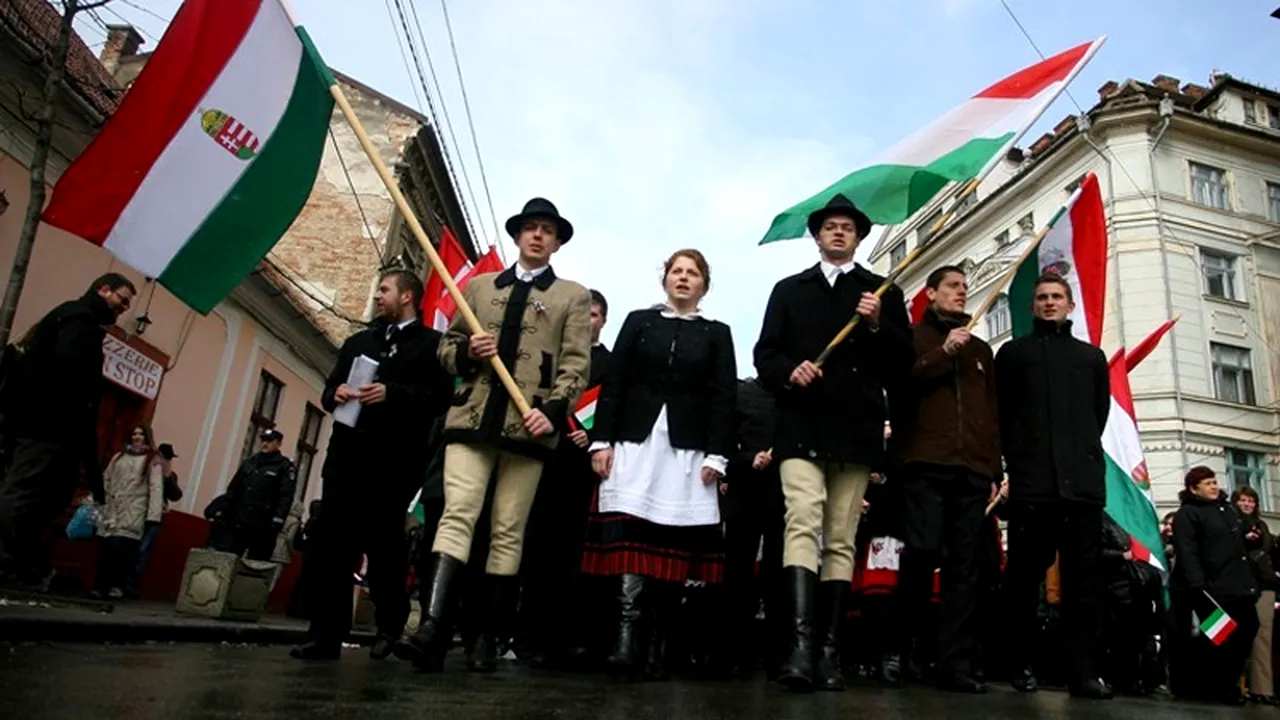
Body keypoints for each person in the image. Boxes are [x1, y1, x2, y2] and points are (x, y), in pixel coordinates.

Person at [396, 198, 592, 674]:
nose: (537, 235)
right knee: (458, 515)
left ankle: (487, 634)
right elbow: (446, 344)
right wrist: (466, 352)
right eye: (530, 228)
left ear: (557, 241)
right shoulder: (480, 288)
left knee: (507, 528)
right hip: (472, 420)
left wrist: (552, 412)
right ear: (518, 236)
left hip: (529, 429)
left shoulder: (572, 296)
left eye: (547, 230)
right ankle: (435, 629)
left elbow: (575, 365)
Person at [754, 194, 914, 692]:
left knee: (841, 536)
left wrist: (876, 323)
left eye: (848, 227)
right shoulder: (788, 290)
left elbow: (902, 362)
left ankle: (829, 654)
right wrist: (789, 371)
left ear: (859, 237)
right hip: (801, 426)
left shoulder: (881, 292)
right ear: (818, 235)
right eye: (830, 226)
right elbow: (765, 353)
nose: (839, 232)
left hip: (856, 429)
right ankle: (798, 651)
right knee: (802, 521)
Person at [582, 249, 736, 680]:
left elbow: (724, 396)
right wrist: (601, 441)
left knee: (675, 544)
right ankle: (627, 640)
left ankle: (659, 647)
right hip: (635, 443)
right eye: (676, 271)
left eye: (692, 274)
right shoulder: (639, 322)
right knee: (632, 538)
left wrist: (718, 455)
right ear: (664, 279)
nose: (683, 279)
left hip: (689, 451)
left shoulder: (717, 333)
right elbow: (615, 384)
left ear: (704, 284)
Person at [292, 269, 454, 661]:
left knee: (384, 548)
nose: (378, 296)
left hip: (393, 463)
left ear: (407, 297)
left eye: (385, 289)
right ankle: (326, 633)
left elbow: (439, 399)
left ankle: (389, 625)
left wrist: (393, 393)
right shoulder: (358, 341)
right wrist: (338, 392)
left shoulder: (431, 346)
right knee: (332, 547)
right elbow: (328, 391)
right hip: (346, 458)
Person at [995, 273, 1111, 699]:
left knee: (1084, 585)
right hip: (1033, 486)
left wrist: (1079, 460)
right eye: (1042, 297)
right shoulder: (1012, 354)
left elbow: (1097, 416)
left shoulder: (1091, 358)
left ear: (1070, 304)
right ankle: (1020, 662)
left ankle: (1083, 671)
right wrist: (1016, 463)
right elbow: (1002, 414)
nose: (1049, 303)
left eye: (1057, 297)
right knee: (1023, 581)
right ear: (1032, 307)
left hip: (1081, 489)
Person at [888, 264, 1000, 694]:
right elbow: (902, 386)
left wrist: (994, 469)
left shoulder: (981, 351)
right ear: (930, 293)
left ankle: (953, 661)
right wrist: (943, 353)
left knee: (963, 567)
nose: (961, 293)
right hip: (924, 463)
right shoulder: (913, 339)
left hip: (970, 470)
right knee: (920, 553)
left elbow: (990, 414)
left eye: (965, 288)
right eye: (952, 286)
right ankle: (904, 649)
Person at [0, 273, 135, 588]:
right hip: (47, 428)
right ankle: (6, 566)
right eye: (122, 299)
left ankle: (25, 568)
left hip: (39, 426)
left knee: (39, 500)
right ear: (103, 289)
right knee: (22, 494)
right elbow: (70, 381)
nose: (124, 308)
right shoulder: (78, 323)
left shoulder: (69, 319)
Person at [518, 288, 612, 669]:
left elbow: (613, 406)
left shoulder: (613, 362)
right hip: (547, 458)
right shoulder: (556, 357)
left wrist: (594, 435)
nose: (586, 320)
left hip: (586, 471)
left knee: (577, 556)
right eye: (581, 314)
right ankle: (528, 637)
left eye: (593, 314)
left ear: (603, 320)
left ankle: (571, 638)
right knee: (537, 548)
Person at [1171, 467, 1259, 705]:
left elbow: (1238, 540)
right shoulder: (1188, 514)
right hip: (1212, 588)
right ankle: (1216, 687)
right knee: (1220, 637)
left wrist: (1253, 538)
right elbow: (1187, 550)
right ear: (1194, 488)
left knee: (1248, 628)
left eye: (1214, 481)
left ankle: (1220, 684)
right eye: (1207, 483)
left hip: (1238, 585)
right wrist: (1197, 582)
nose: (1214, 486)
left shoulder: (1227, 510)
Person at [721, 376, 785, 679]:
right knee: (737, 574)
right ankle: (733, 652)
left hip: (783, 496)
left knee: (778, 575)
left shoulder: (796, 398)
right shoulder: (742, 394)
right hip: (744, 494)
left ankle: (777, 654)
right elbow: (723, 443)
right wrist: (748, 460)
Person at [92, 424, 164, 599]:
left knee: (123, 550)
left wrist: (153, 517)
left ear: (147, 437)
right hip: (112, 509)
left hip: (134, 511)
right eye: (134, 434)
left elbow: (156, 489)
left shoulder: (152, 460)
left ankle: (117, 586)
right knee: (106, 548)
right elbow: (106, 479)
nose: (137, 437)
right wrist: (97, 501)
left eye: (140, 434)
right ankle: (100, 585)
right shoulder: (119, 457)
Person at [215, 429, 296, 562]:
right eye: (263, 440)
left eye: (269, 441)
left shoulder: (284, 467)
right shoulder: (250, 462)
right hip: (239, 522)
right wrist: (224, 510)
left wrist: (278, 518)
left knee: (256, 564)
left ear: (278, 444)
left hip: (264, 525)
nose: (265, 444)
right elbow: (234, 488)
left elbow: (285, 495)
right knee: (230, 559)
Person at [1232, 486, 1276, 704]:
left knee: (1263, 639)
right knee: (1233, 638)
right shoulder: (1231, 525)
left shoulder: (1263, 527)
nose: (1247, 504)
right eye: (1243, 500)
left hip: (1264, 586)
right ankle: (1235, 686)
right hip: (1238, 586)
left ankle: (1263, 689)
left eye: (1251, 501)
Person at [127, 442, 181, 598]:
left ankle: (132, 584)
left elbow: (176, 495)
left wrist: (169, 477)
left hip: (156, 517)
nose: (167, 461)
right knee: (132, 547)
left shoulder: (169, 474)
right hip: (139, 511)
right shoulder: (148, 468)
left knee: (143, 551)